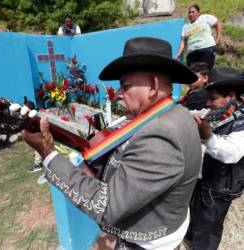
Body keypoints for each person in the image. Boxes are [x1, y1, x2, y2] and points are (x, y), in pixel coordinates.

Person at [23, 37, 202, 249]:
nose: (117, 94)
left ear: (153, 86)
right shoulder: (174, 113)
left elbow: (106, 207)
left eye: (125, 86)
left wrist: (48, 153)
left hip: (146, 241)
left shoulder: (161, 136)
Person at [188, 67, 244, 250]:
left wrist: (208, 137)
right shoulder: (215, 113)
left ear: (231, 96)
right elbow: (192, 115)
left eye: (213, 99)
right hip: (200, 184)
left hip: (217, 192)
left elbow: (231, 153)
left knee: (206, 235)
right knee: (192, 228)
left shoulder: (241, 123)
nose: (209, 103)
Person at [175, 4, 221, 69]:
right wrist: (179, 53)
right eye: (189, 12)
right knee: (193, 75)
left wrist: (218, 39)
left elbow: (217, 24)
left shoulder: (205, 18)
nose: (191, 14)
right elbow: (183, 41)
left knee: (205, 72)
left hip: (206, 49)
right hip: (192, 53)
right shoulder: (186, 26)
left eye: (193, 12)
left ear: (198, 13)